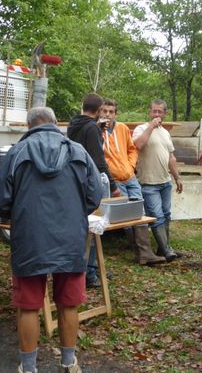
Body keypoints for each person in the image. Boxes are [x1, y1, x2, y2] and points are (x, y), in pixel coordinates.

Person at [0, 107, 102, 373]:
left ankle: (28, 368)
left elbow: (0, 200)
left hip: (30, 238)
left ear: (29, 126)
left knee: (28, 307)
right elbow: (95, 195)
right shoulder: (78, 152)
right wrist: (72, 213)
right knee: (68, 303)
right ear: (55, 123)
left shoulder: (17, 152)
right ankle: (68, 363)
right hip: (70, 239)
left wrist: (16, 214)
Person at [99, 99, 165, 266]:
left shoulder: (122, 128)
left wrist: (130, 165)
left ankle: (146, 253)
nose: (108, 114)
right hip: (114, 180)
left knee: (139, 212)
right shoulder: (97, 130)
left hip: (130, 177)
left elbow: (132, 149)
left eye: (111, 111)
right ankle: (138, 251)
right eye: (105, 111)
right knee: (125, 216)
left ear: (116, 113)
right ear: (100, 112)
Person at [68, 93, 120, 287]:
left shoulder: (75, 125)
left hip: (76, 180)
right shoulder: (90, 128)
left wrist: (97, 130)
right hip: (91, 182)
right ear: (98, 111)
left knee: (84, 226)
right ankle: (89, 274)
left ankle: (90, 268)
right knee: (95, 225)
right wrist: (113, 187)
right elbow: (98, 160)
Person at [132, 99, 183, 262]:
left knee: (166, 215)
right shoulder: (141, 129)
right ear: (149, 112)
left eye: (160, 112)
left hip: (165, 181)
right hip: (148, 182)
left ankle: (162, 249)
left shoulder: (166, 133)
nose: (156, 114)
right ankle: (167, 250)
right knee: (157, 216)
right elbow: (138, 145)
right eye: (154, 111)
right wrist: (151, 126)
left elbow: (171, 158)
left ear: (165, 114)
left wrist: (177, 177)